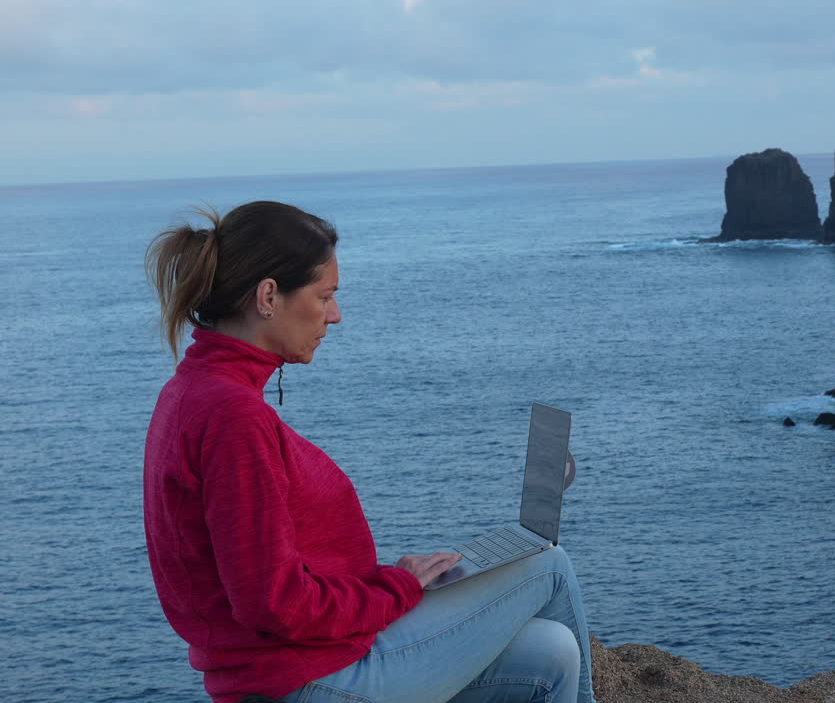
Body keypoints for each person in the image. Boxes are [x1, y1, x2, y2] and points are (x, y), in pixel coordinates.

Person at [143, 201, 597, 703]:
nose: (335, 316)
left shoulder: (193, 390)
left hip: (304, 662)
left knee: (552, 653)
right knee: (547, 564)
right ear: (268, 296)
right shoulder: (232, 415)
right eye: (325, 295)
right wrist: (395, 589)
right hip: (304, 680)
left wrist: (389, 585)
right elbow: (275, 604)